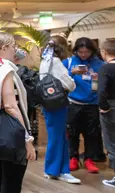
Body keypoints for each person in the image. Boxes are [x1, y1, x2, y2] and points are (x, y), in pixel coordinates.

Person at [0, 32, 37, 193]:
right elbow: (11, 106)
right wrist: (27, 139)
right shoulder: (5, 69)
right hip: (8, 130)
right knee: (11, 183)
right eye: (13, 46)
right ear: (4, 47)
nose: (15, 50)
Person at [39, 36, 80, 184]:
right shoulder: (56, 62)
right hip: (58, 104)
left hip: (48, 103)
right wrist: (72, 79)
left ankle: (60, 169)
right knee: (58, 137)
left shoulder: (45, 61)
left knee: (59, 136)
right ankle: (54, 169)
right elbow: (69, 84)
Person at [64, 37, 106, 172]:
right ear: (76, 51)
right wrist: (72, 72)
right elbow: (59, 79)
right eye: (80, 52)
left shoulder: (99, 64)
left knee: (92, 134)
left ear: (92, 51)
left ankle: (89, 159)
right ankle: (73, 158)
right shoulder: (69, 62)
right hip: (73, 103)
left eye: (86, 52)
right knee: (72, 132)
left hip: (92, 104)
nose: (83, 55)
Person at [98, 39, 115, 188]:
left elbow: (101, 91)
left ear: (104, 52)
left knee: (112, 143)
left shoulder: (105, 68)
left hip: (111, 107)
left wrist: (104, 107)